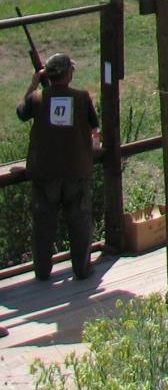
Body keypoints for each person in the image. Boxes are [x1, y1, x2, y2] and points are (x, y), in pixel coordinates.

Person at [17, 52, 99, 283]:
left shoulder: (37, 98)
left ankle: (42, 272)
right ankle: (82, 269)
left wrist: (34, 84)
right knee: (79, 221)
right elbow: (94, 127)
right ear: (69, 73)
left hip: (45, 172)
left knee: (43, 224)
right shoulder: (82, 97)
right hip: (76, 170)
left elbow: (21, 113)